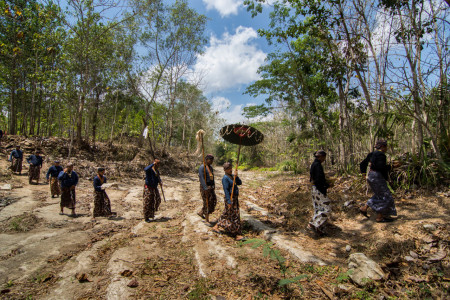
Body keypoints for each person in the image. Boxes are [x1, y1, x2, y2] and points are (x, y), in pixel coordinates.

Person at [360, 140, 398, 222]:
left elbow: (362, 164)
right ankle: (380, 217)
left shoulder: (372, 154)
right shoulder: (381, 155)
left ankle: (364, 208)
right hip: (377, 177)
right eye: (386, 146)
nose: (386, 148)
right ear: (383, 147)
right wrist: (392, 167)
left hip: (371, 176)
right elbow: (381, 168)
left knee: (379, 194)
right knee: (386, 196)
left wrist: (364, 174)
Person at [211, 162, 244, 241]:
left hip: (235, 198)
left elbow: (239, 183)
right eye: (228, 169)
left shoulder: (232, 176)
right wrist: (229, 201)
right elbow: (226, 190)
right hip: (230, 198)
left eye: (231, 168)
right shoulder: (225, 178)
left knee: (226, 213)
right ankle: (236, 234)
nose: (230, 170)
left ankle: (216, 226)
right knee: (235, 215)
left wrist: (236, 176)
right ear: (225, 170)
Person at [308, 150, 331, 234]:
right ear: (321, 156)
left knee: (318, 208)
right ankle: (316, 224)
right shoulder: (317, 165)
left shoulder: (314, 164)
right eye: (324, 157)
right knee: (326, 208)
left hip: (314, 188)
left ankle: (313, 225)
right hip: (318, 189)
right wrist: (326, 185)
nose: (324, 159)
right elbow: (318, 179)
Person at [198, 154, 217, 220]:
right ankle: (207, 219)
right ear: (206, 160)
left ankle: (201, 212)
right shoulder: (202, 167)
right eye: (210, 160)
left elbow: (212, 177)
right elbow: (201, 178)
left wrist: (213, 185)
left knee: (212, 200)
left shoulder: (211, 168)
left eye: (212, 160)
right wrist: (205, 188)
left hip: (211, 187)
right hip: (205, 187)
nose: (211, 161)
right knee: (206, 202)